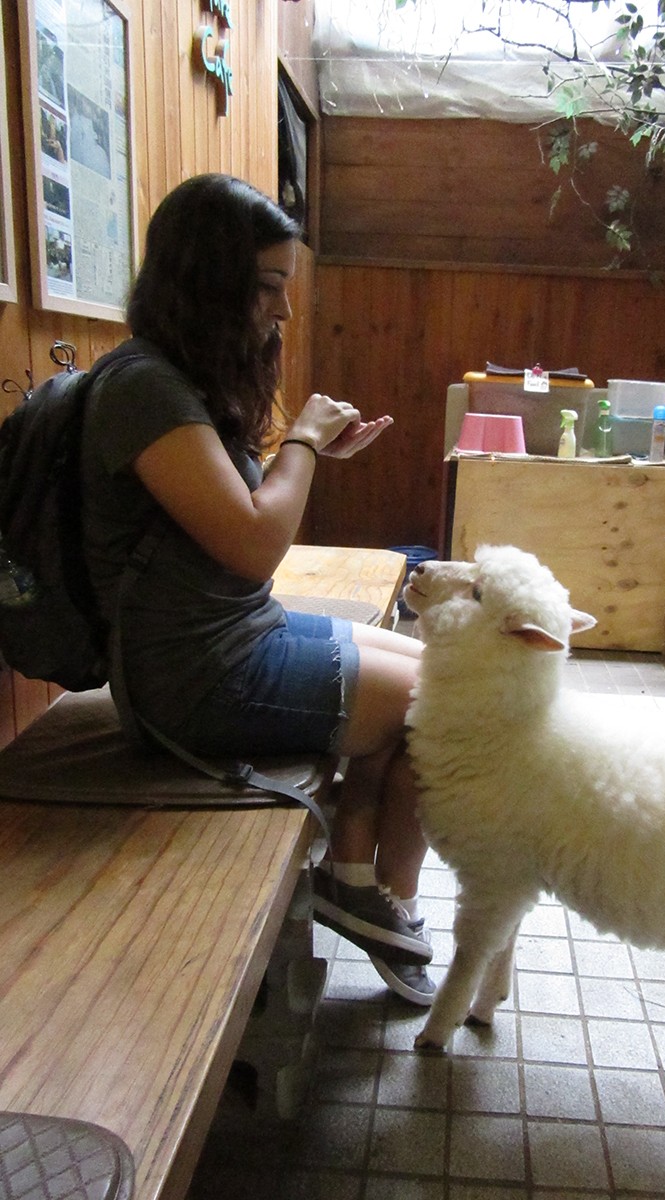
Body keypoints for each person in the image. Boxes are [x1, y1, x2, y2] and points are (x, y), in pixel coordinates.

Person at [80, 173, 434, 1005]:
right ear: (209, 279)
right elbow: (252, 543)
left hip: (234, 636)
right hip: (196, 676)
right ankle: (384, 895)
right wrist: (303, 440)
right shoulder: (143, 389)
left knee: (429, 670)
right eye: (269, 287)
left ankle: (350, 871)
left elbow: (235, 517)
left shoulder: (172, 378)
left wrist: (308, 451)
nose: (280, 312)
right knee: (442, 706)